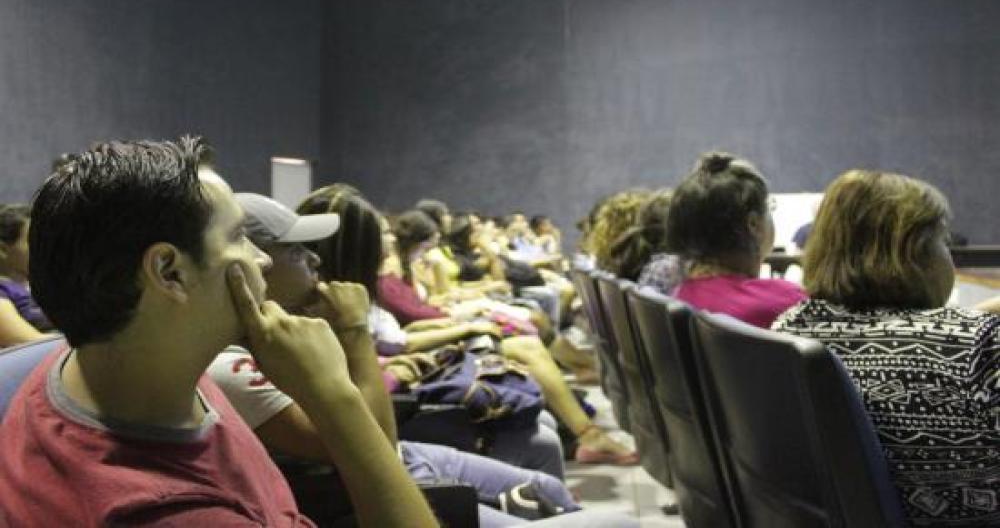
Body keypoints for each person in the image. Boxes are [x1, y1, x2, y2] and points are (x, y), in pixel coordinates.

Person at [0, 137, 437, 527]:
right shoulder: (175, 513)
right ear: (169, 272)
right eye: (240, 237)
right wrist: (334, 394)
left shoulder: (124, 363)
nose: (262, 259)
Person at [211, 193, 637, 528]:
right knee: (611, 515)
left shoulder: (292, 326)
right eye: (298, 251)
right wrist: (356, 334)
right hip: (369, 483)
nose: (316, 260)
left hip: (393, 456)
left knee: (546, 482)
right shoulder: (231, 363)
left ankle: (585, 433)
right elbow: (378, 444)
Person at [300, 187, 639, 466]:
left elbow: (404, 331)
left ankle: (581, 408)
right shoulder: (346, 302)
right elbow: (400, 342)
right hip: (404, 397)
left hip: (411, 373)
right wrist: (460, 327)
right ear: (359, 246)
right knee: (529, 360)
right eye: (383, 233)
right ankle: (583, 429)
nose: (391, 238)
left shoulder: (362, 292)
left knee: (531, 326)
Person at [772, 170, 999, 526]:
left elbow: (901, 338)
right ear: (916, 253)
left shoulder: (790, 328)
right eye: (942, 240)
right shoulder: (977, 345)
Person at [666, 152, 806, 328]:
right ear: (753, 225)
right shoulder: (787, 303)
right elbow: (849, 351)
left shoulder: (680, 295)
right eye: (769, 207)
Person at [0, 204, 51, 346]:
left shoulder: (39, 286)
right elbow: (27, 341)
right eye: (32, 241)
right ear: (3, 250)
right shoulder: (3, 290)